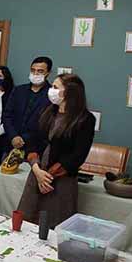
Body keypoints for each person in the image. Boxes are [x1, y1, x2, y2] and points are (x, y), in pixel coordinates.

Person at [17, 74, 96, 229]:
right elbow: (32, 141)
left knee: (54, 227)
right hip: (37, 174)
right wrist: (37, 170)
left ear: (69, 92)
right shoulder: (46, 111)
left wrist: (47, 177)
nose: (50, 90)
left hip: (60, 182)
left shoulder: (85, 119)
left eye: (55, 87)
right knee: (27, 222)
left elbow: (78, 155)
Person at [4, 56, 53, 154]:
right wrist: (13, 136)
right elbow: (7, 115)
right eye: (33, 70)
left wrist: (23, 138)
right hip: (11, 144)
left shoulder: (52, 95)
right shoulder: (18, 90)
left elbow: (48, 124)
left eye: (40, 71)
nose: (35, 73)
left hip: (35, 148)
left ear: (48, 73)